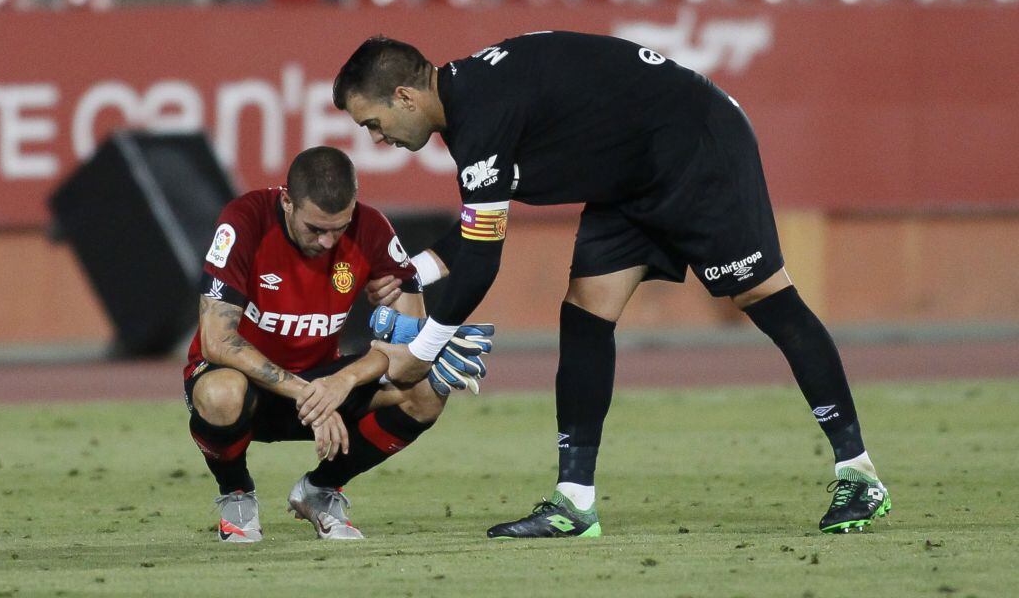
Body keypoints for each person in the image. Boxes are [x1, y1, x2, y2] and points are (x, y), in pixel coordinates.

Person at [332, 32, 891, 538]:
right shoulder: (468, 107)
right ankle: (574, 503)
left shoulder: (481, 110)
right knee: (585, 311)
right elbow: (478, 231)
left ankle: (859, 474)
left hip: (697, 145)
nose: (377, 138)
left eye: (373, 123)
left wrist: (421, 351)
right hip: (629, 179)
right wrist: (412, 273)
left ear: (405, 97)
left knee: (765, 299)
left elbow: (482, 262)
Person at [184, 145, 491, 543]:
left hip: (320, 382)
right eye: (316, 229)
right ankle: (236, 493)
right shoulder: (245, 221)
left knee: (426, 391)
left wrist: (343, 380)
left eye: (339, 228)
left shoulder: (371, 229)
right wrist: (310, 391)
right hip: (248, 386)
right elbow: (217, 340)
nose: (329, 242)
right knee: (222, 392)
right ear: (287, 201)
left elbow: (410, 349)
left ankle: (320, 490)